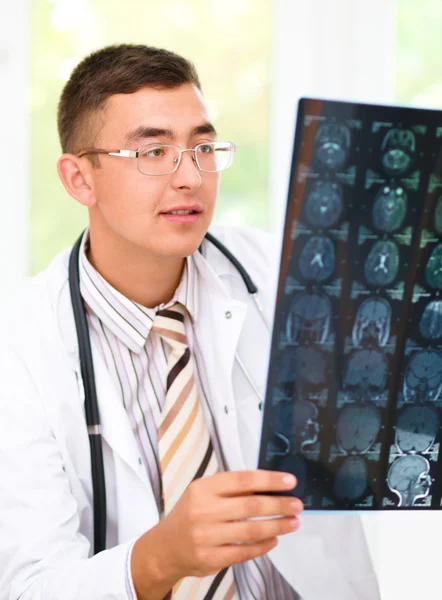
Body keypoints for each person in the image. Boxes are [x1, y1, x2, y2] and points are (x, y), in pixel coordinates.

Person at [0, 44, 379, 600]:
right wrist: (161, 557)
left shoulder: (289, 276)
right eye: (154, 151)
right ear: (80, 179)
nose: (190, 177)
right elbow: (29, 586)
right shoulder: (21, 347)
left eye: (203, 147)